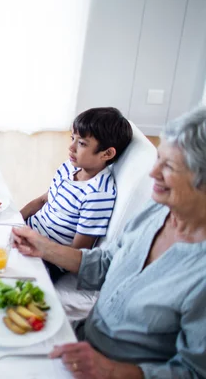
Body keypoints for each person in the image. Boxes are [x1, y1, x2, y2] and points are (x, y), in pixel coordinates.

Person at [12, 106, 206, 378]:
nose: (153, 173)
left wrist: (112, 371)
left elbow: (194, 372)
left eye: (169, 166)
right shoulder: (158, 212)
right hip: (81, 340)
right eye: (158, 159)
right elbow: (106, 262)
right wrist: (44, 247)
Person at [19, 107, 132, 282]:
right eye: (73, 138)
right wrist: (14, 220)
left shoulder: (98, 195)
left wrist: (36, 246)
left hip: (48, 259)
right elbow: (42, 200)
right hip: (29, 232)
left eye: (82, 143)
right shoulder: (68, 167)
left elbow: (77, 253)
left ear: (107, 153)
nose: (71, 147)